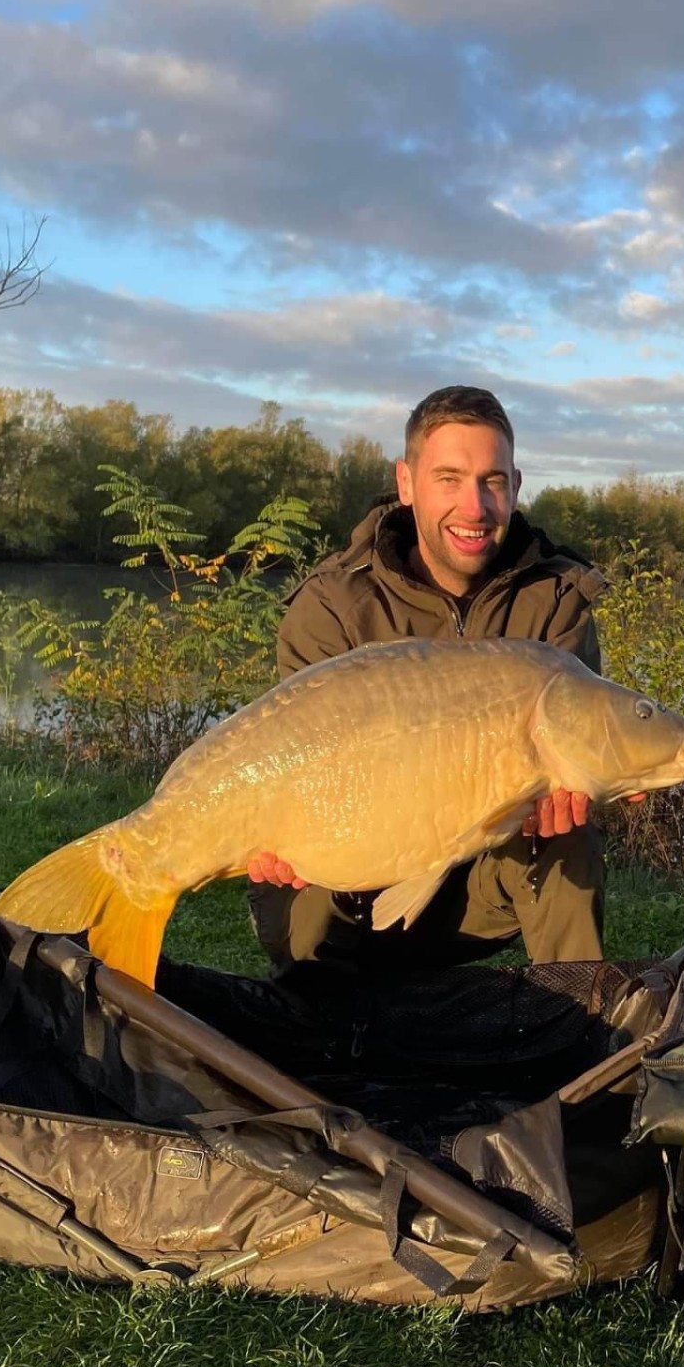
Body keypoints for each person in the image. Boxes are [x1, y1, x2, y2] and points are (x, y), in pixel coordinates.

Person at [246, 385, 625, 978]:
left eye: (492, 481)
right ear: (406, 483)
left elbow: (577, 752)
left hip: (479, 887)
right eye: (448, 478)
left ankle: (575, 1029)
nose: (474, 508)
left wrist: (585, 787)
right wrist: (276, 830)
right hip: (352, 871)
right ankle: (312, 1026)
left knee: (568, 838)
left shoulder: (554, 601)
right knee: (303, 865)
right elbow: (292, 755)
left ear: (516, 486)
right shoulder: (333, 603)